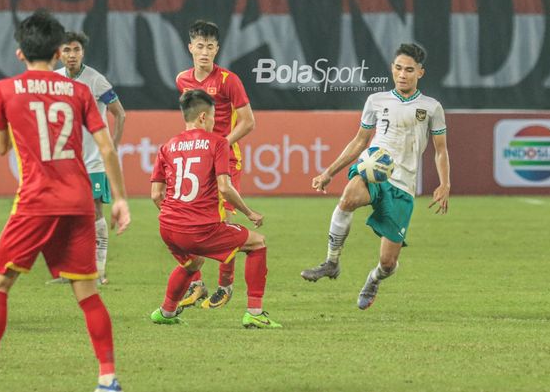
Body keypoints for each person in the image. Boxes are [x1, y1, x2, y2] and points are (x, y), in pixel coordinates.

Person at [0, 10, 131, 392]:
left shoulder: (5, 90)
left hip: (35, 201)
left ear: (19, 53)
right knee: (87, 293)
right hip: (77, 199)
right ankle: (107, 379)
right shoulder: (79, 91)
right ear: (58, 52)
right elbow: (106, 147)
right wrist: (120, 198)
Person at [300, 43, 450, 310]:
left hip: (403, 186)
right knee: (347, 198)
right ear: (392, 69)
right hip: (373, 170)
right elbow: (359, 142)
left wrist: (444, 183)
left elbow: (441, 150)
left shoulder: (431, 107)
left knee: (388, 263)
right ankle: (331, 262)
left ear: (420, 73)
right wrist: (328, 173)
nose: (402, 74)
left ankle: (373, 279)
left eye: (409, 70)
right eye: (398, 68)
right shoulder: (376, 101)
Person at [149, 89, 280, 329]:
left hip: (168, 227)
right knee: (257, 243)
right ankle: (254, 312)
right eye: (213, 117)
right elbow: (225, 188)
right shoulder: (218, 142)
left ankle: (166, 312)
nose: (214, 122)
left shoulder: (167, 146)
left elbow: (155, 194)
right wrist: (250, 213)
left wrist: (175, 215)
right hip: (201, 229)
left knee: (192, 263)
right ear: (201, 117)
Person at [174, 20, 255, 310]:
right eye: (200, 46)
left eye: (210, 46)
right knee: (186, 221)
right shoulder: (182, 80)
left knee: (225, 223)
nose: (205, 51)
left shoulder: (228, 81)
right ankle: (196, 283)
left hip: (226, 160)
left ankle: (225, 286)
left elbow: (248, 122)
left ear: (217, 49)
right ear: (190, 48)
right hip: (197, 161)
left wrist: (220, 144)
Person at [52, 31, 126, 285]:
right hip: (66, 161)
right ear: (59, 53)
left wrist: (112, 146)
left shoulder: (96, 81)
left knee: (94, 212)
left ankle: (100, 270)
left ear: (83, 52)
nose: (71, 55)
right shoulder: (54, 80)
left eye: (76, 50)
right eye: (67, 50)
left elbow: (120, 113)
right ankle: (71, 270)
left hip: (93, 161)